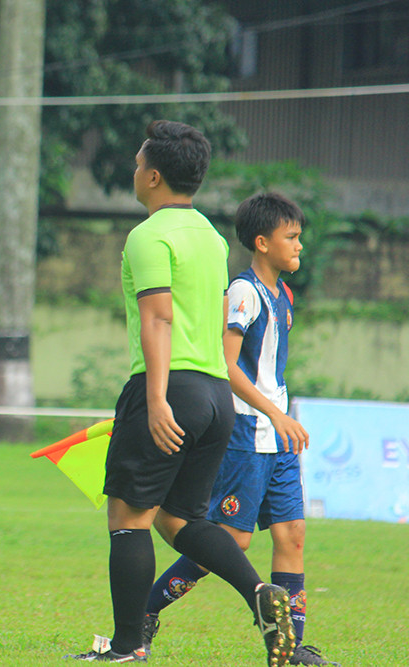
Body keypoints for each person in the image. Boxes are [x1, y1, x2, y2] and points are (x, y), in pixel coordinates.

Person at [69, 121, 296, 666]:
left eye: (136, 163)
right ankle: (261, 593)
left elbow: (159, 318)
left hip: (171, 389)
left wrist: (154, 398)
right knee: (180, 521)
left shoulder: (148, 236)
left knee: (128, 518)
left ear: (151, 175)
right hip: (218, 398)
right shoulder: (212, 238)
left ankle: (126, 647)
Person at [143, 193, 339, 666]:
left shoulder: (283, 294)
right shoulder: (244, 292)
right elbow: (227, 365)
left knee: (291, 535)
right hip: (249, 431)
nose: (298, 246)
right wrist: (274, 413)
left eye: (298, 236)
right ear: (262, 242)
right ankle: (143, 614)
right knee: (230, 541)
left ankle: (288, 649)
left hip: (279, 435)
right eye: (290, 237)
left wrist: (281, 417)